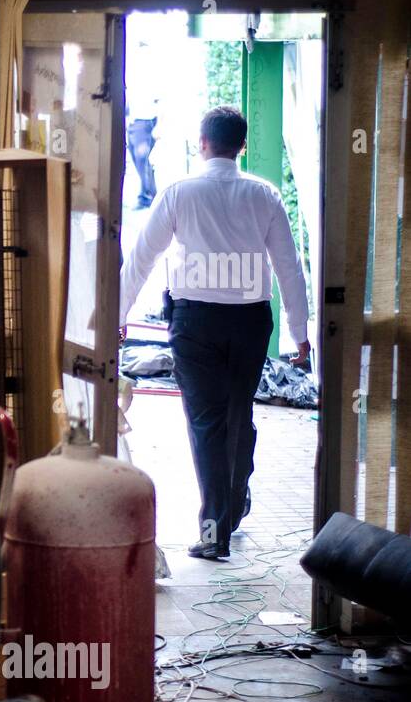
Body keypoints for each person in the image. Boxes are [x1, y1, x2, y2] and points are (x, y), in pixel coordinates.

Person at [120, 106, 310, 560]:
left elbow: (141, 259)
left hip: (195, 325)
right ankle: (233, 500)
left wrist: (115, 317)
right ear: (241, 146)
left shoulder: (178, 193)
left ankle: (215, 529)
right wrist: (300, 333)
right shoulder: (264, 196)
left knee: (208, 425)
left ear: (200, 143)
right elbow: (289, 267)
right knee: (239, 414)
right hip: (249, 322)